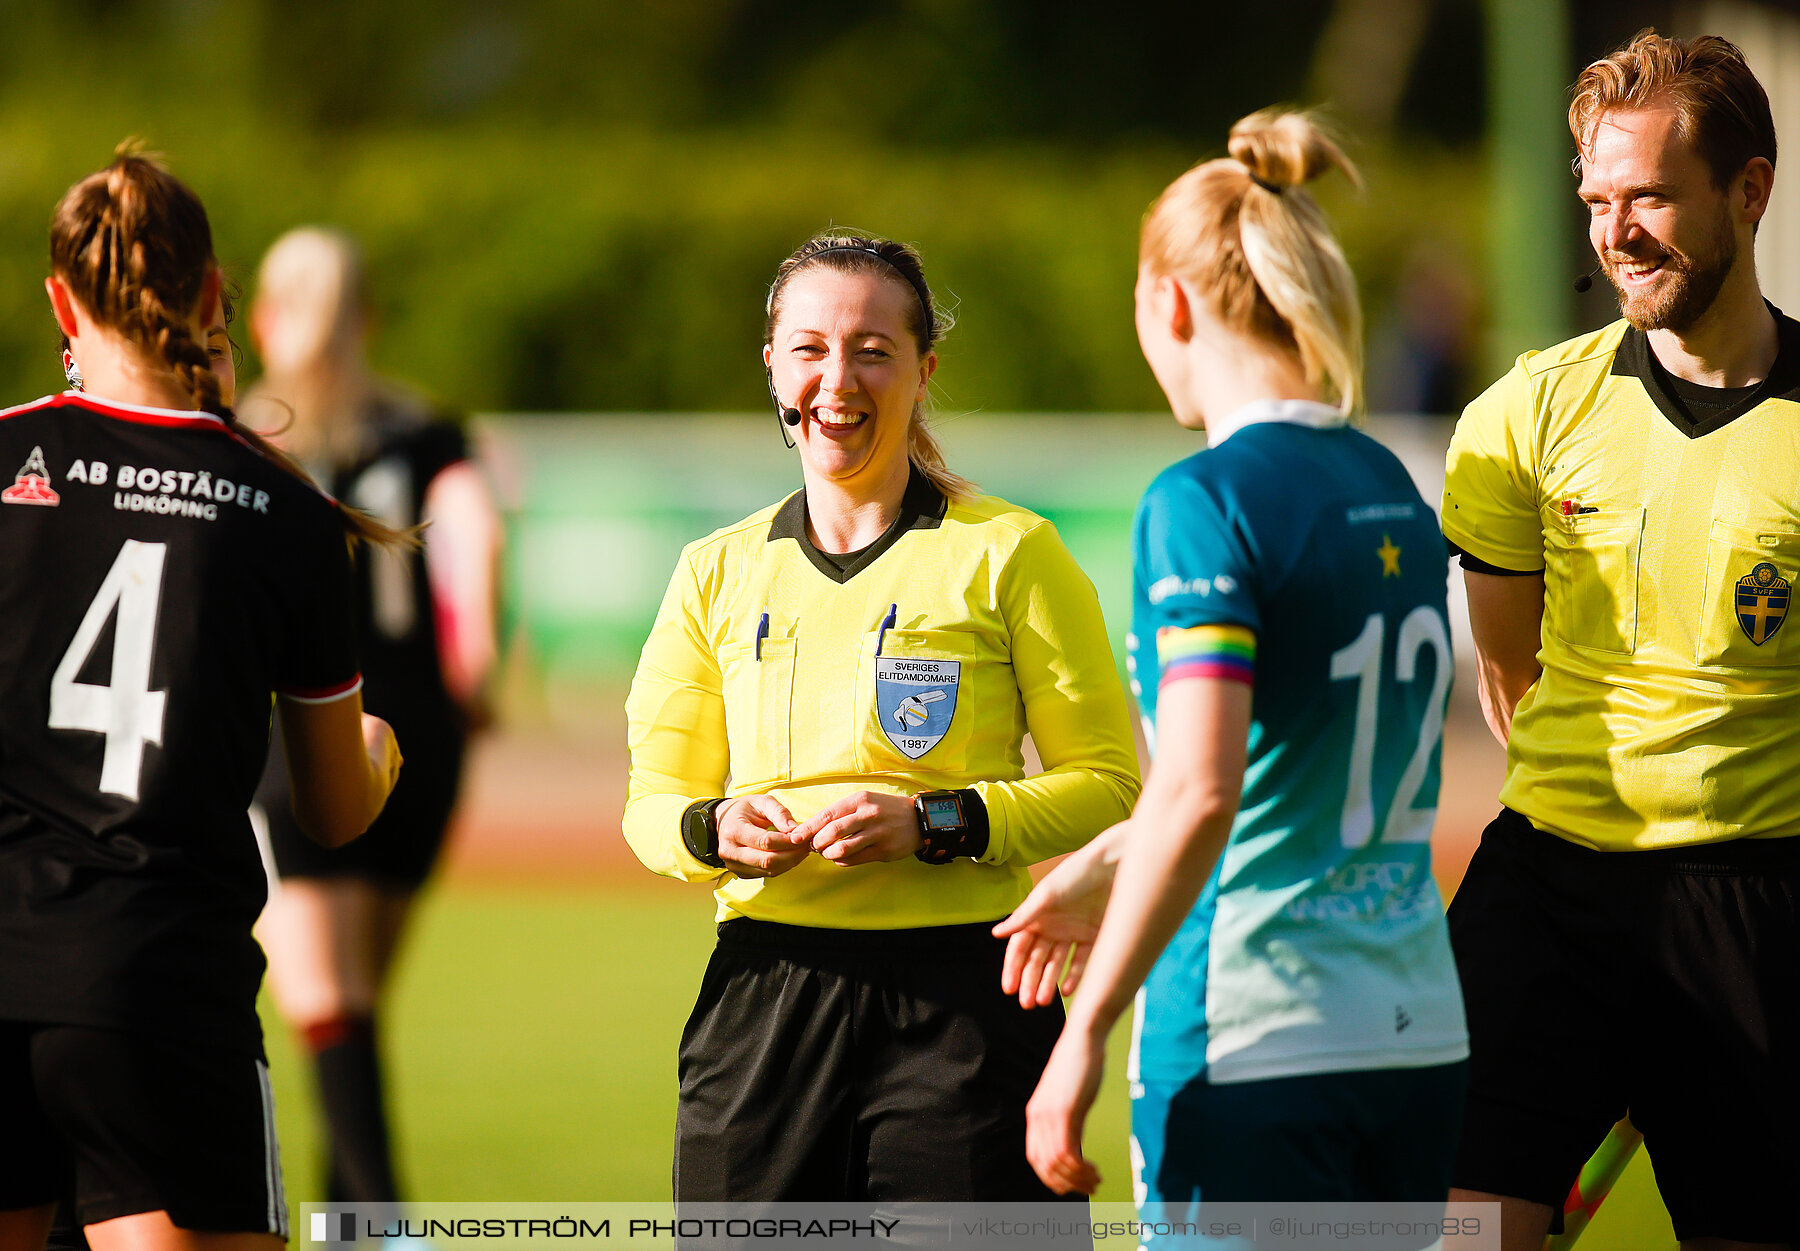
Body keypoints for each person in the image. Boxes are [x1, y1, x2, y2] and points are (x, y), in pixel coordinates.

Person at [994, 110, 1469, 1210]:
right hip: (1414, 1039)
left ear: (1169, 302)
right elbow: (1283, 774)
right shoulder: (1389, 482)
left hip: (1251, 1038)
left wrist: (1089, 1026)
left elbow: (1204, 791)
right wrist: (1115, 864)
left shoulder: (1200, 503)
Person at [622, 233, 1141, 1202]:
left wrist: (935, 823)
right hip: (761, 1006)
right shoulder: (715, 571)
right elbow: (652, 805)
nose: (838, 378)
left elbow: (1109, 784)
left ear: (922, 371)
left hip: (966, 1004)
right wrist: (715, 829)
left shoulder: (1013, 552)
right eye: (810, 347)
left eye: (872, 348)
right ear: (772, 364)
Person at [0, 149, 401, 1251]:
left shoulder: (2, 457)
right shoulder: (285, 510)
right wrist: (375, 750)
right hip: (157, 988)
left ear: (58, 300)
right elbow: (332, 810)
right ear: (216, 296)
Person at [1439, 31, 1800, 1250]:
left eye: (1648, 194)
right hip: (1549, 891)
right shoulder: (1529, 411)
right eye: (1596, 198)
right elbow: (1509, 672)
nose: (1614, 230)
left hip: (1759, 911)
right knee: (1463, 1234)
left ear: (1750, 190)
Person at [242, 228, 502, 1208]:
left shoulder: (237, 435)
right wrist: (473, 676)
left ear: (263, 317)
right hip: (420, 734)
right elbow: (477, 541)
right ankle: (353, 1222)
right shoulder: (430, 432)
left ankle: (385, 1225)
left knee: (325, 1007)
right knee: (351, 1014)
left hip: (286, 732)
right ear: (371, 320)